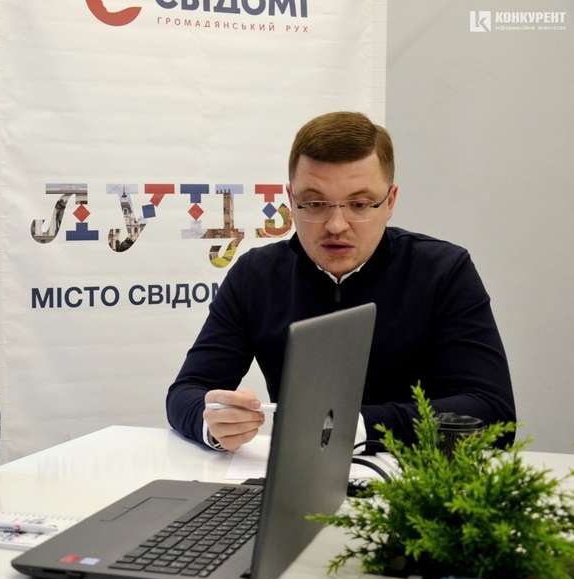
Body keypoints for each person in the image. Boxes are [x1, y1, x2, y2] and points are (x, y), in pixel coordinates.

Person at [166, 111, 514, 453]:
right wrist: (212, 422)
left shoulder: (444, 271)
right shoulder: (255, 275)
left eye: (359, 204)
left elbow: (492, 411)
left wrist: (351, 428)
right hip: (296, 478)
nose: (335, 225)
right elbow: (187, 391)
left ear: (390, 201)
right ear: (291, 201)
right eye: (315, 203)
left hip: (421, 479)